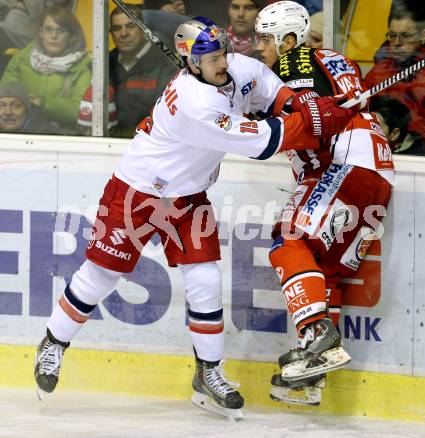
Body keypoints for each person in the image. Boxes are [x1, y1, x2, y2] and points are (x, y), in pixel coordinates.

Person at [33, 15, 359, 419]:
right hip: (137, 191)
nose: (223, 62)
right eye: (211, 58)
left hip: (187, 197)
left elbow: (277, 96)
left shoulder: (237, 67)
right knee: (100, 275)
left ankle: (209, 372)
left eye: (223, 52)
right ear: (190, 64)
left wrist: (308, 106)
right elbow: (267, 141)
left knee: (205, 277)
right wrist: (317, 119)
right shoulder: (195, 105)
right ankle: (53, 344)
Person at [255, 1, 394, 406]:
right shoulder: (328, 60)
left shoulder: (295, 62)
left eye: (266, 38)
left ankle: (316, 336)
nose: (259, 46)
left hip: (346, 164)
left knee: (289, 239)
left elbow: (302, 122)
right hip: (372, 172)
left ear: (291, 40)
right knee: (324, 272)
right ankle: (311, 379)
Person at [0, 6, 91, 135]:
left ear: (71, 35)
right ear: (40, 33)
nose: (54, 36)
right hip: (22, 132)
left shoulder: (82, 66)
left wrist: (44, 103)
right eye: (48, 29)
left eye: (61, 30)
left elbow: (82, 110)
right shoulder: (20, 59)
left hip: (63, 137)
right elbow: (5, 98)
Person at [364, 6, 425, 156]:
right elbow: (363, 107)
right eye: (392, 35)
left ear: (423, 36)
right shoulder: (380, 69)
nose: (397, 43)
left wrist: (403, 136)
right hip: (378, 148)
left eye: (405, 36)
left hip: (421, 153)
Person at [109, 5, 176, 137]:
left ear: (144, 29)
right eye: (117, 28)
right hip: (109, 144)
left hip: (148, 146)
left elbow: (165, 121)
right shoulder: (105, 64)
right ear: (111, 34)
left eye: (130, 26)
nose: (123, 33)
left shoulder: (166, 66)